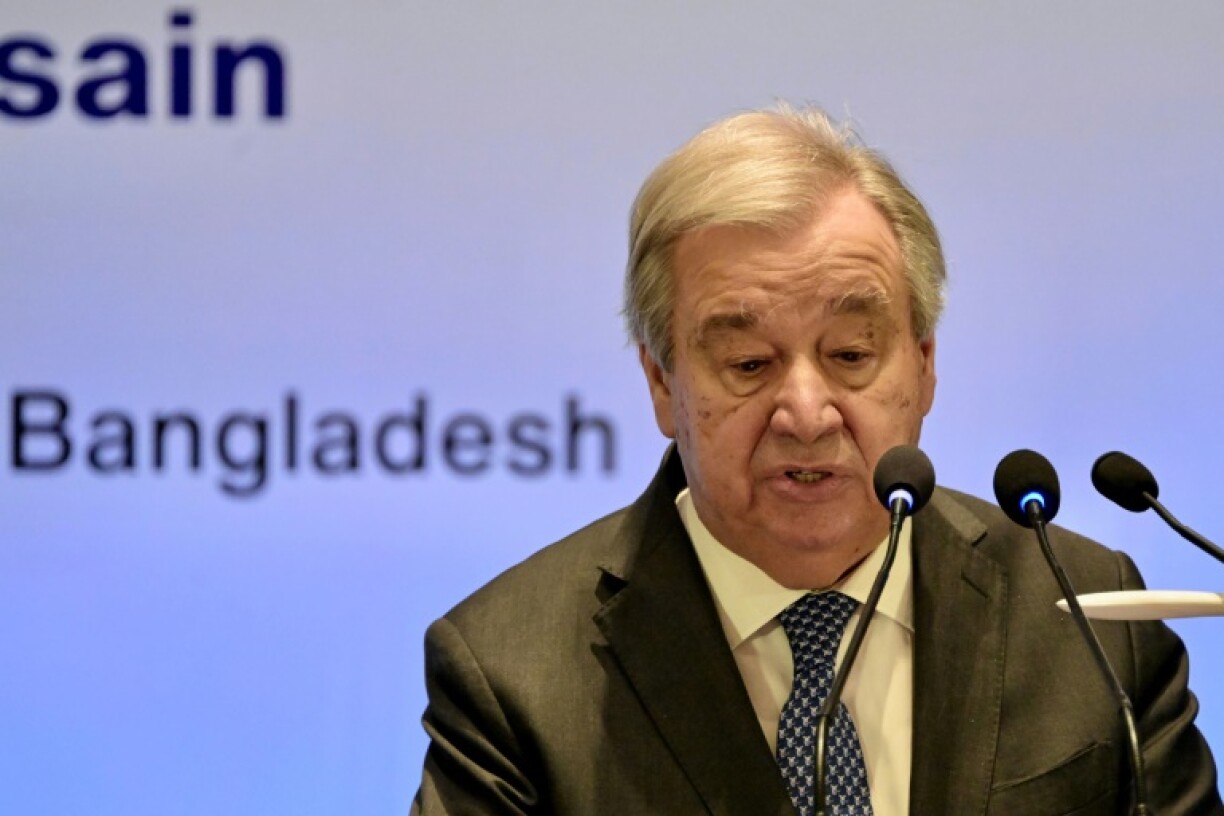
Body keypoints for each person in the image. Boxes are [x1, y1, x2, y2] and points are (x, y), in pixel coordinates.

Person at [411, 105, 1221, 814]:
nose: (806, 414)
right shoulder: (513, 674)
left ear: (926, 362)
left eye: (851, 353)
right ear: (661, 383)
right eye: (749, 364)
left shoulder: (1092, 620)